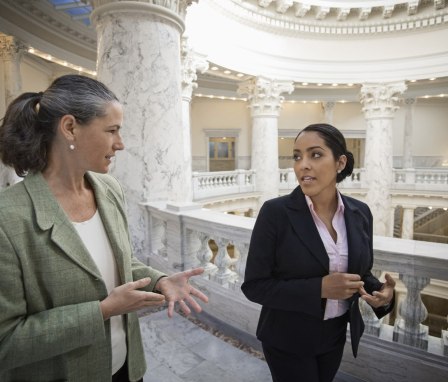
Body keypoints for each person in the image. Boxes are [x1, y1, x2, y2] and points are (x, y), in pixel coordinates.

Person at [0, 74, 208, 382]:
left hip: (126, 367)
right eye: (112, 130)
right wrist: (102, 310)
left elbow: (120, 265)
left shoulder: (109, 189)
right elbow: (7, 342)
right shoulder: (8, 217)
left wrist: (159, 280)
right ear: (70, 127)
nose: (120, 144)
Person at [241, 123, 395, 382]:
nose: (303, 164)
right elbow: (255, 286)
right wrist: (320, 289)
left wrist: (382, 295)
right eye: (297, 156)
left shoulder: (360, 213)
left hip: (335, 335)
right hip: (287, 339)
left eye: (315, 154)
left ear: (340, 162)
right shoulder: (275, 213)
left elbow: (359, 273)